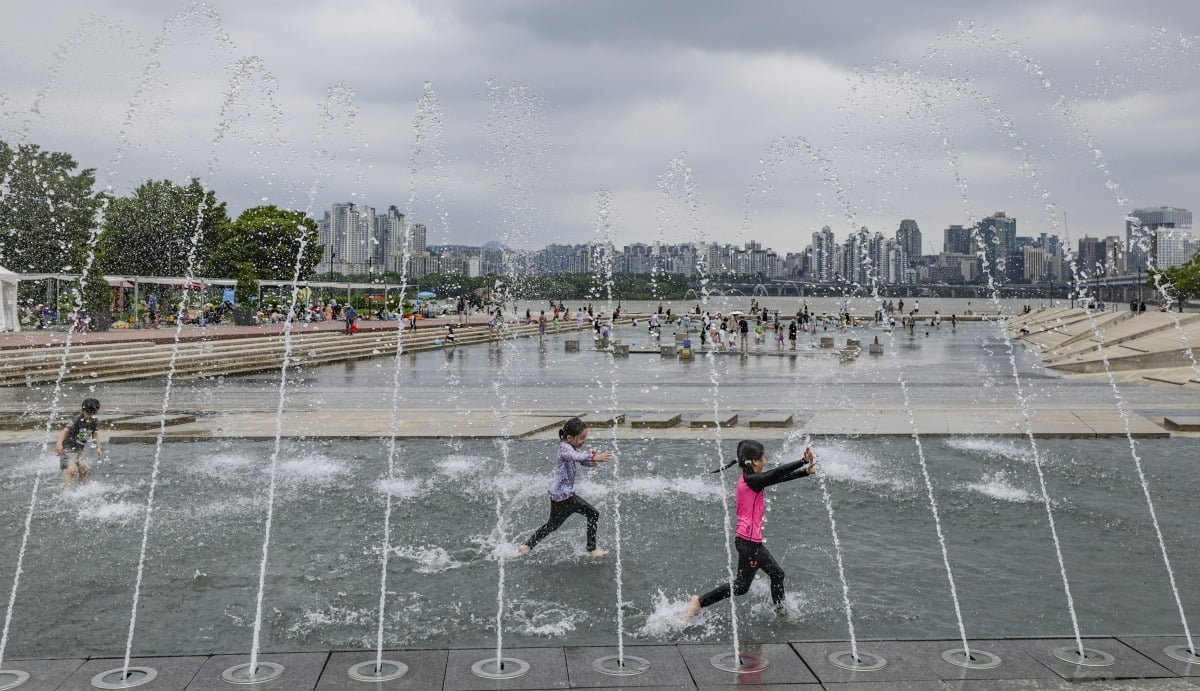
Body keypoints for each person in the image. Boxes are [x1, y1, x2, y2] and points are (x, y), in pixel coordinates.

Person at [685, 440, 817, 622]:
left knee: (741, 586)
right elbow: (775, 473)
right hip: (749, 543)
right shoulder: (752, 480)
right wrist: (802, 461)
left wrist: (804, 473)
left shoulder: (751, 479)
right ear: (754, 461)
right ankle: (782, 615)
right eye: (763, 458)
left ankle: (699, 601)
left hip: (746, 541)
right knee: (775, 574)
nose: (765, 461)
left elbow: (775, 478)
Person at [517, 418, 612, 557]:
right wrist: (594, 457)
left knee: (552, 525)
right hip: (564, 496)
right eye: (581, 438)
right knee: (593, 514)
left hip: (559, 495)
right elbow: (575, 456)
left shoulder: (568, 446)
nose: (584, 441)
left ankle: (527, 546)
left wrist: (589, 463)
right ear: (569, 438)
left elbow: (576, 459)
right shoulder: (565, 449)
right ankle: (592, 549)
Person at [57, 398, 102, 486]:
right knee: (71, 470)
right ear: (82, 410)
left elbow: (94, 434)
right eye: (88, 413)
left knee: (84, 469)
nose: (90, 416)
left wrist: (98, 447)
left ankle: (81, 489)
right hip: (68, 448)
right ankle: (65, 492)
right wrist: (59, 444)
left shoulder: (94, 420)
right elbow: (65, 431)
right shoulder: (77, 419)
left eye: (93, 413)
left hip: (80, 449)